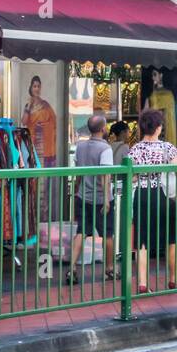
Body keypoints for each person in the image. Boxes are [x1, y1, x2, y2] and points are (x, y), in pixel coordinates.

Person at [129, 109, 177, 292]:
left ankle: (143, 283)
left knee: (142, 243)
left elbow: (132, 178)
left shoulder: (135, 149)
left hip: (143, 195)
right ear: (158, 128)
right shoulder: (167, 148)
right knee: (171, 239)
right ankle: (174, 278)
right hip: (162, 195)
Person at [68, 115, 116, 286]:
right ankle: (109, 269)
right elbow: (105, 176)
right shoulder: (106, 149)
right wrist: (107, 200)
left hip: (83, 196)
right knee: (108, 234)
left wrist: (76, 190)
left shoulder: (80, 147)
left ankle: (72, 268)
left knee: (81, 232)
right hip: (100, 199)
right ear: (103, 129)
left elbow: (79, 173)